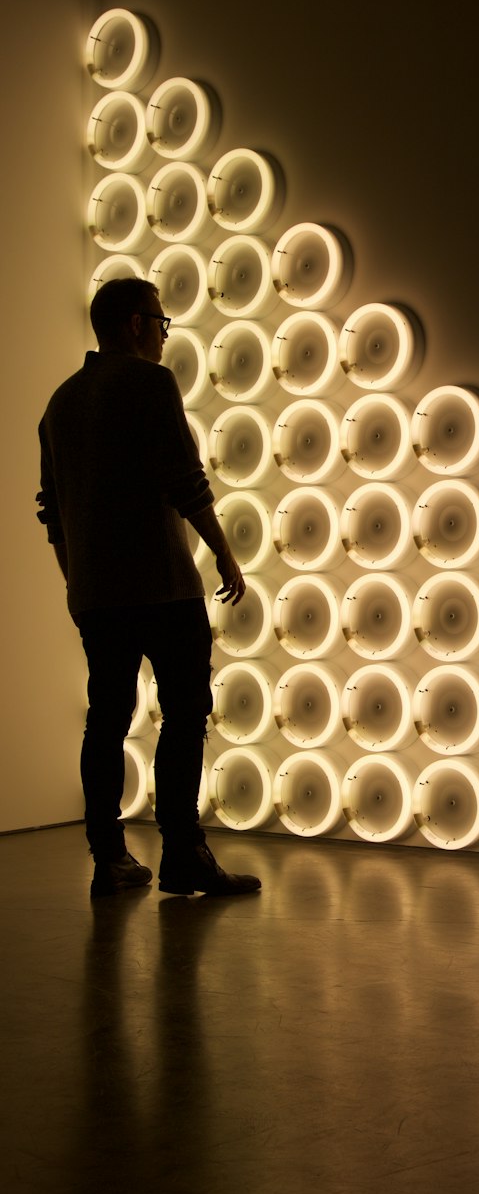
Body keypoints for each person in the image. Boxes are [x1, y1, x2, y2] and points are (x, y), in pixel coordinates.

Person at [37, 277, 261, 898]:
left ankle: (108, 858)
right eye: (161, 324)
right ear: (137, 324)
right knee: (186, 714)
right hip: (162, 584)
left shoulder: (59, 404)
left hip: (95, 594)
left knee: (106, 720)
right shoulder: (149, 383)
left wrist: (75, 579)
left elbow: (52, 511)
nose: (164, 337)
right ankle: (183, 854)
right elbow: (185, 478)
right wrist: (224, 553)